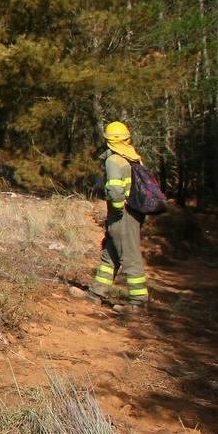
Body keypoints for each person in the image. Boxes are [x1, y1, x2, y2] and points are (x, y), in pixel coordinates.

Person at [89, 120, 148, 311]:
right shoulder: (132, 158)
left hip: (123, 215)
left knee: (130, 257)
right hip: (133, 213)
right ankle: (95, 293)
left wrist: (116, 210)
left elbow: (115, 190)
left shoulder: (113, 160)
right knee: (110, 255)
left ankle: (138, 303)